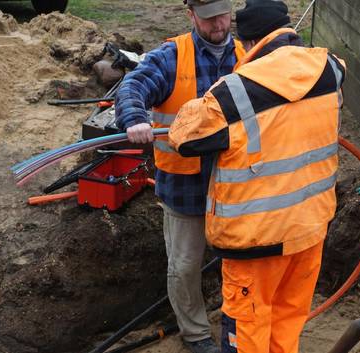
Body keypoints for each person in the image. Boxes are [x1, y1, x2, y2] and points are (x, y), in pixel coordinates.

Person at [168, 1, 346, 352]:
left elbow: (183, 138)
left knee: (248, 329)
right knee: (287, 321)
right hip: (309, 231)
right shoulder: (330, 68)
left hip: (256, 241)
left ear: (248, 44)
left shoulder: (233, 93)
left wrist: (204, 98)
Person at [115, 1, 245, 352]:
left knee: (241, 262)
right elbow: (132, 86)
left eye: (222, 14)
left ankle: (239, 325)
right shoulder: (172, 57)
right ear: (191, 16)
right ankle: (196, 333)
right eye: (207, 18)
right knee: (185, 266)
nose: (218, 24)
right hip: (186, 189)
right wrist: (134, 117)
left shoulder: (249, 55)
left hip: (237, 188)